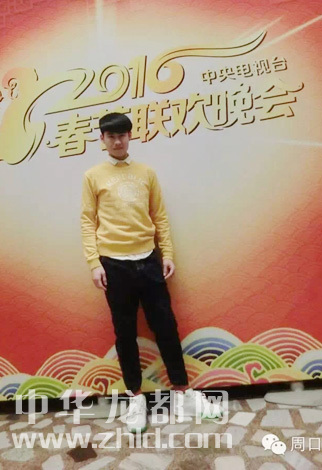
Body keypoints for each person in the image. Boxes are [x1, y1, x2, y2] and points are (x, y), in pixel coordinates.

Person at [80, 112, 217, 433]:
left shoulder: (146, 173)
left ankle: (182, 392)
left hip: (149, 261)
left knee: (166, 326)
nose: (117, 141)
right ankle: (135, 398)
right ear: (102, 139)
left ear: (130, 136)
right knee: (125, 333)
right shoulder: (92, 176)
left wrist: (167, 254)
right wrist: (94, 263)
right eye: (111, 136)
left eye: (122, 135)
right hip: (114, 264)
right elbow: (87, 221)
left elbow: (160, 216)